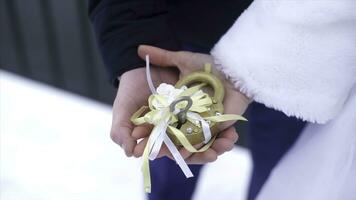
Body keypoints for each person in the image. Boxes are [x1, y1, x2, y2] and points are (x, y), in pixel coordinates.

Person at [89, 0, 356, 199]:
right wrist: (134, 40)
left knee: (279, 166)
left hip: (297, 55)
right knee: (170, 156)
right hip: (177, 39)